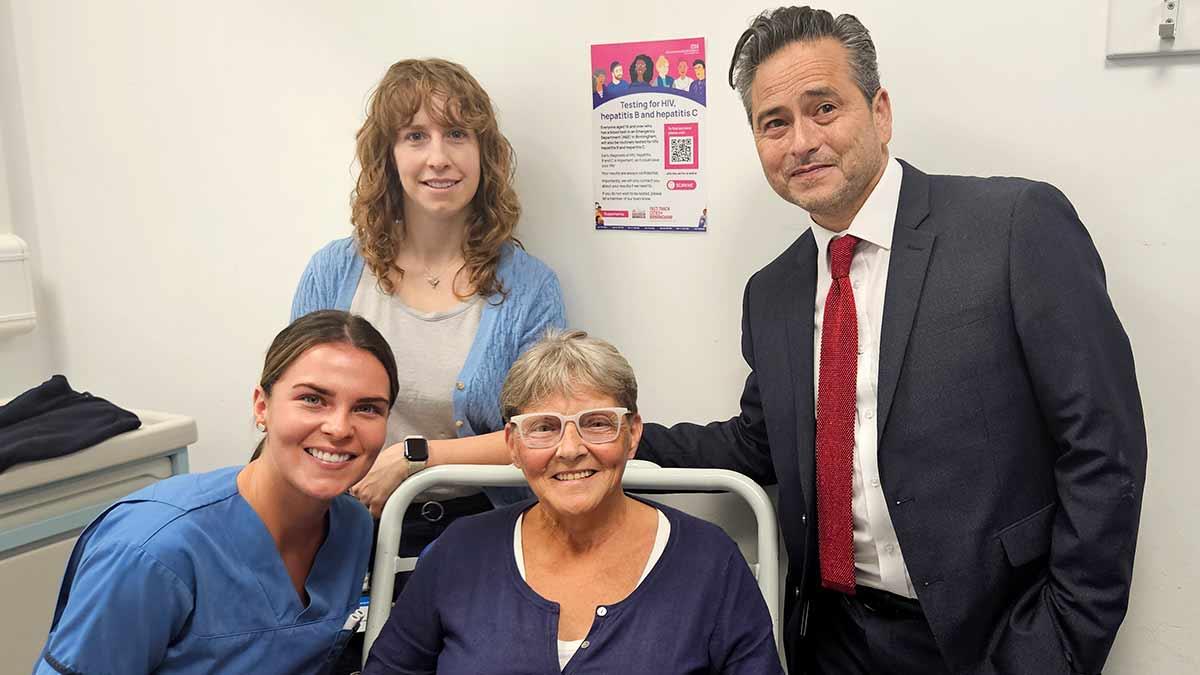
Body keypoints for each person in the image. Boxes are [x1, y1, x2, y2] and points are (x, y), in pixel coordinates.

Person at [637, 6, 1146, 675]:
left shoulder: (1014, 227)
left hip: (997, 638)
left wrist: (1057, 642)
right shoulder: (773, 290)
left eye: (824, 107)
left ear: (879, 111)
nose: (801, 141)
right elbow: (761, 441)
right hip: (836, 642)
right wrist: (612, 435)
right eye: (775, 122)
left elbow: (1103, 447)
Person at [363, 330, 783, 674]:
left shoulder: (709, 562)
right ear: (513, 444)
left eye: (597, 424)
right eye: (543, 428)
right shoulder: (460, 552)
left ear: (633, 434)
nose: (570, 449)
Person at [34, 310, 399, 674]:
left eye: (367, 408)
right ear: (262, 406)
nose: (338, 428)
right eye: (312, 399)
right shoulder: (153, 549)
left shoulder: (353, 527)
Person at [293, 58, 565, 521]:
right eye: (415, 136)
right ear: (388, 156)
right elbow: (294, 405)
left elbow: (545, 432)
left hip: (482, 525)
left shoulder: (531, 288)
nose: (438, 157)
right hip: (342, 519)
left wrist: (413, 458)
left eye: (457, 134)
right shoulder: (332, 272)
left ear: (485, 154)